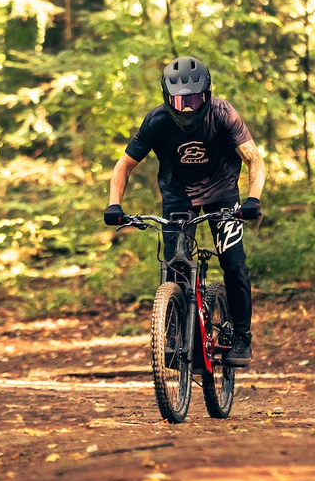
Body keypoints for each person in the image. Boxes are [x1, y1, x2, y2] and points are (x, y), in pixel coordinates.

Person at [104, 56, 265, 367]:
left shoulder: (222, 114)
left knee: (233, 263)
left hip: (222, 194)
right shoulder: (157, 122)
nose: (187, 108)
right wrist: (114, 204)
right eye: (180, 101)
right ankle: (177, 334)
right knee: (175, 265)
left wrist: (252, 199)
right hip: (178, 197)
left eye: (194, 99)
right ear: (167, 99)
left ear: (206, 95)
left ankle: (242, 336)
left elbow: (254, 160)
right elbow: (124, 165)